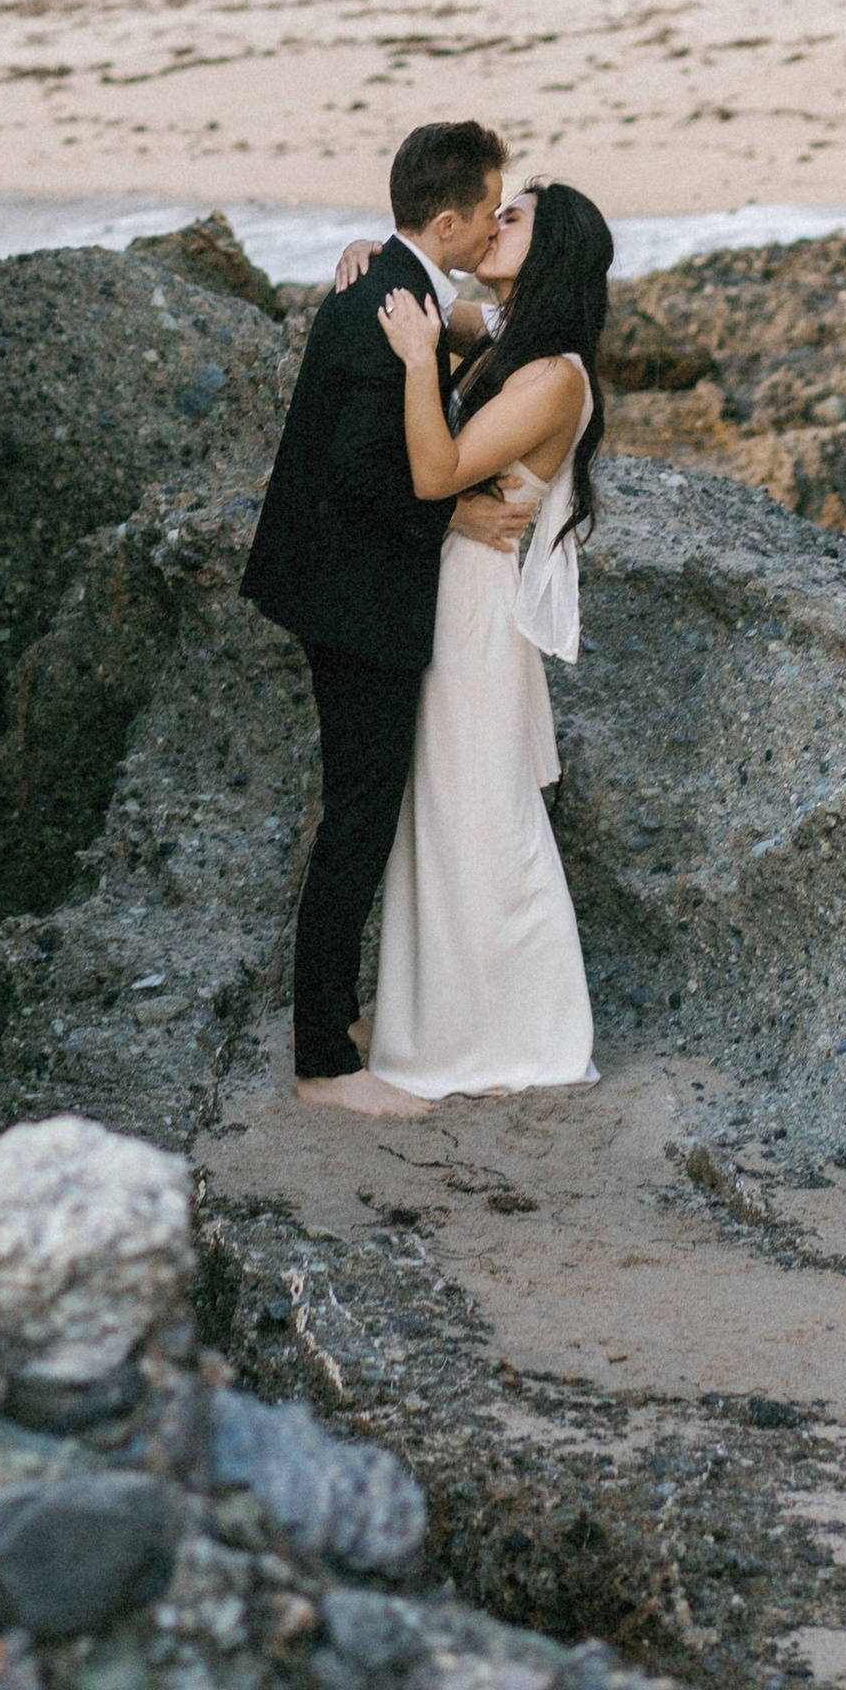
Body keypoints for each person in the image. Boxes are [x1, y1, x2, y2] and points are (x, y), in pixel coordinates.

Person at [240, 121, 535, 1117]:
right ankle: (325, 1058)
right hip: (351, 597)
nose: (498, 222)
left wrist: (468, 324)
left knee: (360, 810)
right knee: (358, 817)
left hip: (336, 582)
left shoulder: (394, 284)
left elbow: (460, 337)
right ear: (445, 220)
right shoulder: (382, 303)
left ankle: (335, 1020)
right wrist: (462, 508)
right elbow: (369, 473)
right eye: (490, 209)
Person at [365, 180, 613, 1100]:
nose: (492, 219)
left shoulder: (553, 376)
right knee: (446, 809)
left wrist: (418, 356)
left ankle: (528, 1033)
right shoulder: (511, 337)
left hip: (476, 607)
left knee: (478, 813)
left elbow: (436, 469)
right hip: (458, 588)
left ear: (549, 250)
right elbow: (439, 295)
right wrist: (368, 257)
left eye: (514, 218)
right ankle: (444, 1021)